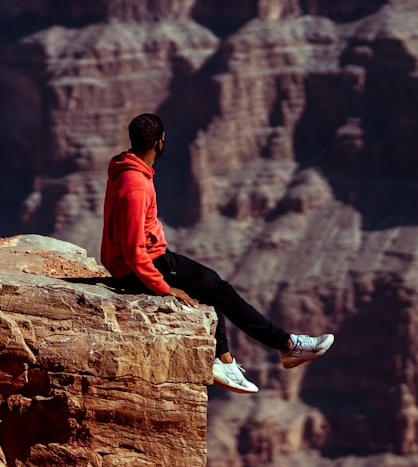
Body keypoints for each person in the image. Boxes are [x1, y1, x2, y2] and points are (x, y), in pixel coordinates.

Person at [101, 113, 334, 394]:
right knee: (218, 290)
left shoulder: (129, 170)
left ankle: (227, 361)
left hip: (149, 258)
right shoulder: (136, 185)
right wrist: (164, 288)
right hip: (142, 265)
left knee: (210, 285)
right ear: (160, 142)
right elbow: (133, 248)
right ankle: (288, 346)